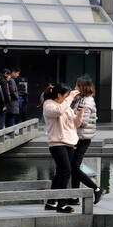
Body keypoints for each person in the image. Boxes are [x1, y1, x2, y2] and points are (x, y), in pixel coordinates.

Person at [42, 82, 83, 213]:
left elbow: (76, 123)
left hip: (69, 142)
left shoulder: (66, 106)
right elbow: (58, 111)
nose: (68, 98)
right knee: (66, 171)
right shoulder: (48, 105)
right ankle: (62, 204)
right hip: (57, 143)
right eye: (66, 95)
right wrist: (70, 97)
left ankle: (51, 202)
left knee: (61, 172)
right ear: (59, 95)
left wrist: (80, 113)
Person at [68, 76, 104, 206]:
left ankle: (96, 189)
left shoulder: (87, 102)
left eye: (77, 85)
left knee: (74, 167)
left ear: (82, 87)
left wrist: (69, 118)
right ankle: (75, 197)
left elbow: (82, 122)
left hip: (82, 138)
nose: (75, 88)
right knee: (74, 167)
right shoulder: (82, 99)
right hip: (79, 137)